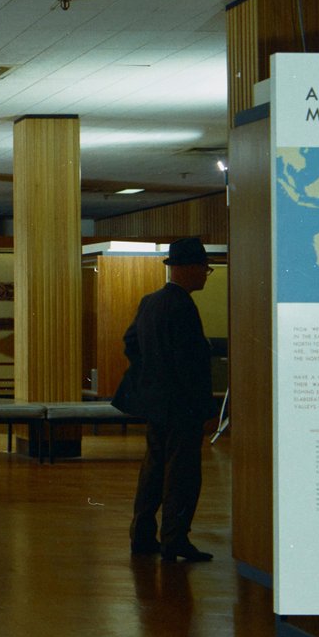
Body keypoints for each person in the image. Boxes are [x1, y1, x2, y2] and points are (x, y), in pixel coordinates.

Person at [113, 237, 218, 563]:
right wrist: (205, 408)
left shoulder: (151, 301)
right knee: (183, 473)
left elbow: (131, 342)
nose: (205, 275)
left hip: (156, 403)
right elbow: (191, 364)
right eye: (205, 268)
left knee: (154, 469)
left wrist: (151, 375)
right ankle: (175, 538)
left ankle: (142, 534)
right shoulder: (183, 306)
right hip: (182, 405)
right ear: (189, 268)